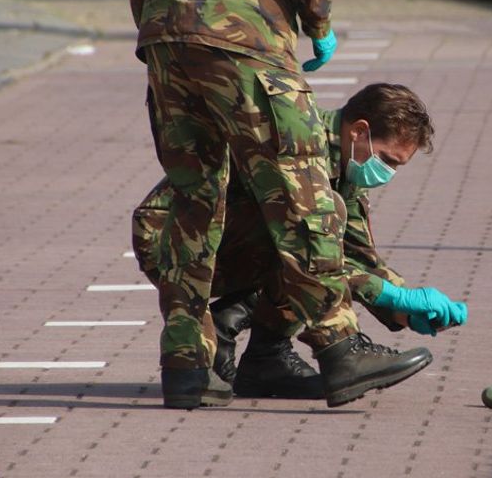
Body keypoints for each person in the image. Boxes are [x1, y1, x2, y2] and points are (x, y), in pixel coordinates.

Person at [124, 0, 431, 410]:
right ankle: (341, 348)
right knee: (302, 197)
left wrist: (169, 27)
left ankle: (187, 364)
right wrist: (317, 20)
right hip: (246, 33)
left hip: (167, 37)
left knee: (195, 203)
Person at [132, 84, 469, 400]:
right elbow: (308, 247)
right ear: (359, 131)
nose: (388, 172)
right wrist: (391, 295)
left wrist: (404, 311)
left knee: (319, 232)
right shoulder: (300, 146)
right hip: (173, 240)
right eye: (388, 159)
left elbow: (357, 257)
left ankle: (264, 359)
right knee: (309, 234)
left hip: (226, 239)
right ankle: (232, 338)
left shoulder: (345, 164)